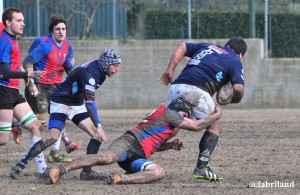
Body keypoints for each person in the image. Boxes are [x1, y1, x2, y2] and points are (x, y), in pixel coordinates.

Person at [48, 97, 222, 185]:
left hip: (138, 155)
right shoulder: (170, 113)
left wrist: (169, 146)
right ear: (180, 112)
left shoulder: (166, 119)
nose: (184, 121)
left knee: (158, 172)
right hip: (129, 142)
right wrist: (216, 115)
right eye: (185, 116)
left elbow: (153, 143)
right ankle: (61, 169)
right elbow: (197, 126)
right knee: (106, 158)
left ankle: (120, 179)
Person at [11, 48, 121, 181]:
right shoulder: (91, 73)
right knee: (52, 138)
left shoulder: (100, 70)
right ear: (106, 63)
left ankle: (87, 172)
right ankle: (21, 163)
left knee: (97, 137)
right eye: (115, 65)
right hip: (61, 102)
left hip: (76, 104)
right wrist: (98, 125)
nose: (117, 69)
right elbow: (90, 104)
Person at [159, 37, 247, 181]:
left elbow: (182, 46)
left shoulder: (208, 47)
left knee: (172, 126)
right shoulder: (235, 60)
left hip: (176, 87)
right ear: (240, 54)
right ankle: (201, 167)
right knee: (214, 125)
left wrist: (170, 70)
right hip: (197, 92)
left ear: (227, 45)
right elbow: (238, 89)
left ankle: (143, 148)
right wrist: (234, 100)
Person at [22, 14, 80, 163]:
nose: (61, 31)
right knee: (41, 123)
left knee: (58, 118)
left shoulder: (66, 45)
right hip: (40, 85)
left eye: (63, 29)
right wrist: (31, 83)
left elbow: (69, 64)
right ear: (51, 29)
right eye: (57, 28)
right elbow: (28, 61)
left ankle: (55, 152)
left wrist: (76, 83)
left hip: (56, 86)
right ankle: (17, 128)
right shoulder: (43, 43)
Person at [0, 7, 47, 178]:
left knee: (36, 126)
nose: (23, 24)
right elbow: (4, 71)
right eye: (18, 20)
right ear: (7, 22)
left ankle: (43, 170)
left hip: (13, 91)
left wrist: (29, 82)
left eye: (23, 20)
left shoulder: (12, 39)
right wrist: (27, 74)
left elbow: (14, 66)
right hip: (3, 91)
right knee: (3, 140)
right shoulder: (4, 41)